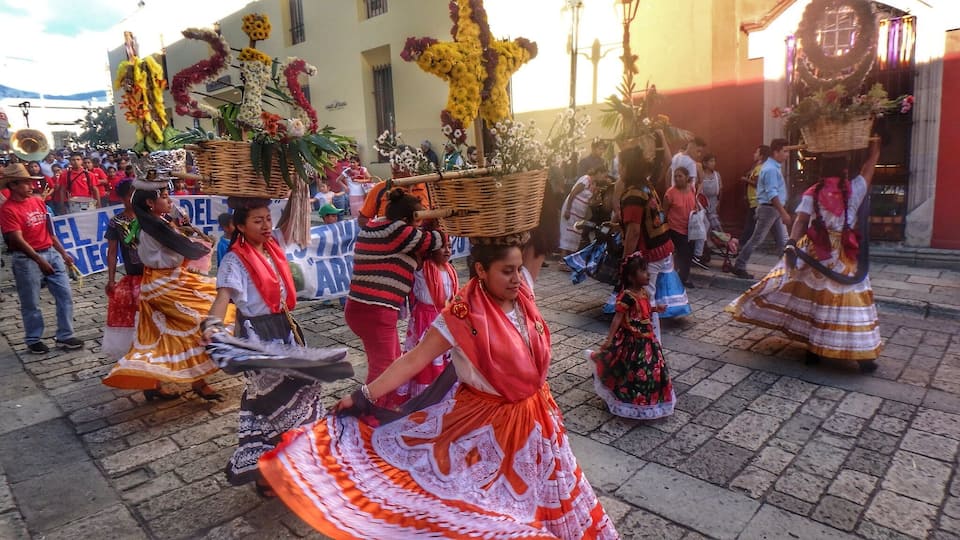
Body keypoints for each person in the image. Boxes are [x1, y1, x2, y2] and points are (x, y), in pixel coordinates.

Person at [259, 234, 618, 539]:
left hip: (538, 421)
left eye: (517, 270)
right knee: (489, 514)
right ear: (481, 271)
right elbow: (413, 360)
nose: (516, 279)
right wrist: (365, 395)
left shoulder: (523, 299)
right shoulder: (460, 318)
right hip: (486, 428)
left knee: (548, 497)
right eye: (506, 272)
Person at [204, 198, 327, 495]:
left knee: (297, 396)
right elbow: (223, 297)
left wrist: (297, 182)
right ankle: (271, 471)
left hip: (284, 329)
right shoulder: (235, 260)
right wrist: (212, 325)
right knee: (274, 402)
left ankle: (275, 470)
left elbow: (290, 216)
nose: (266, 226)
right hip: (258, 337)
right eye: (258, 221)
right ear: (240, 227)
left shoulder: (271, 248)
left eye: (267, 219)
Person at [727, 141, 882, 374]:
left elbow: (800, 221)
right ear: (844, 170)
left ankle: (814, 350)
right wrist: (876, 145)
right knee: (852, 300)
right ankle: (863, 357)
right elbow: (869, 167)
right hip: (845, 254)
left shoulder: (814, 192)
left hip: (817, 252)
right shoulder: (855, 188)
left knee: (817, 299)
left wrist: (791, 243)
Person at [102, 174, 228, 401]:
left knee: (169, 335)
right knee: (201, 321)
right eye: (165, 197)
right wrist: (195, 248)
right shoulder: (152, 228)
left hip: (166, 282)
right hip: (165, 285)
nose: (171, 201)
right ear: (150, 203)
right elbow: (178, 252)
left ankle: (160, 384)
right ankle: (195, 381)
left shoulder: (157, 223)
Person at [345, 189, 443, 410]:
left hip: (360, 308)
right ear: (408, 219)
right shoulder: (397, 230)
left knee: (387, 360)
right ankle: (373, 413)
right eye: (417, 221)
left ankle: (385, 406)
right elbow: (434, 241)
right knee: (385, 366)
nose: (417, 227)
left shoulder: (375, 226)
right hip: (376, 310)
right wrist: (438, 224)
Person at [0, 164, 84, 354]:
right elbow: (17, 240)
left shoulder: (37, 201)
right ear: (13, 185)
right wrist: (39, 260)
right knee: (31, 302)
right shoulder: (7, 210)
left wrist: (63, 253)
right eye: (26, 183)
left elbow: (49, 231)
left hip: (50, 253)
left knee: (65, 295)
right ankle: (33, 339)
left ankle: (65, 335)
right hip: (26, 259)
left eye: (31, 183)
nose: (31, 186)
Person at [609, 146, 690, 338]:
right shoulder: (646, 186)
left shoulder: (633, 194)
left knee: (645, 300)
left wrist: (625, 262)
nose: (619, 170)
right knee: (647, 298)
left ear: (628, 166)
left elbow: (634, 232)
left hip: (649, 253)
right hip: (663, 247)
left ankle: (651, 347)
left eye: (621, 165)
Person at [588, 253, 674, 419]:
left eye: (646, 270)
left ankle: (647, 402)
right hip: (631, 341)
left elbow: (644, 311)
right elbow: (618, 318)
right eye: (643, 271)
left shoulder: (643, 293)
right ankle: (626, 398)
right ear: (631, 277)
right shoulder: (627, 296)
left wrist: (656, 309)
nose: (648, 274)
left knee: (651, 369)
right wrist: (610, 339)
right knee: (629, 369)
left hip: (647, 340)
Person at [399, 229, 458, 404]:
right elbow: (413, 247)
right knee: (424, 357)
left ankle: (440, 392)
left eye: (449, 246)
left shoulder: (450, 270)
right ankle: (423, 396)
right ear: (431, 249)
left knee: (442, 357)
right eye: (442, 247)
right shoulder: (422, 267)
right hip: (424, 320)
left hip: (444, 318)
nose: (447, 250)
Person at [731, 138, 792, 280]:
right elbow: (772, 194)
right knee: (757, 239)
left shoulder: (772, 167)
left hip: (773, 209)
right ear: (776, 152)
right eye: (785, 152)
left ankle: (787, 270)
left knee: (783, 240)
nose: (787, 155)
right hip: (770, 209)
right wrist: (783, 212)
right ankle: (739, 265)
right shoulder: (770, 169)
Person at [103, 180, 143, 359]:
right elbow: (112, 252)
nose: (133, 198)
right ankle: (138, 347)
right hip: (134, 275)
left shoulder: (148, 217)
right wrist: (111, 279)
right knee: (137, 314)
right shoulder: (116, 222)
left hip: (155, 274)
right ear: (122, 198)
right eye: (129, 195)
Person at [559, 164, 604, 256]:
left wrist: (598, 200)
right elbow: (573, 193)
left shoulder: (593, 184)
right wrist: (568, 209)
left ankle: (570, 260)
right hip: (571, 209)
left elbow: (589, 203)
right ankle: (562, 261)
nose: (604, 178)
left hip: (579, 214)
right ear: (599, 173)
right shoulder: (586, 179)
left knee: (575, 234)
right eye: (604, 175)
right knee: (567, 233)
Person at [664, 168, 698, 288]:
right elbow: (665, 212)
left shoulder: (692, 189)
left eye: (680, 176)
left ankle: (683, 278)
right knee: (681, 254)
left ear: (687, 177)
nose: (677, 179)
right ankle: (675, 279)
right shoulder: (670, 193)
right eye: (676, 176)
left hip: (690, 228)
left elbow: (695, 204)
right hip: (675, 229)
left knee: (689, 255)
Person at [693, 153, 722, 268]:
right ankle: (700, 252)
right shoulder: (700, 175)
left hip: (713, 203)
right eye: (711, 161)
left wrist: (719, 202)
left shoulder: (717, 175)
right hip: (701, 203)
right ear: (705, 163)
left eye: (714, 161)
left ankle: (705, 251)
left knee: (714, 226)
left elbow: (721, 189)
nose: (713, 163)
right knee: (704, 226)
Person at [739, 145, 769, 249]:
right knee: (752, 224)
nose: (754, 154)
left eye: (756, 152)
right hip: (753, 200)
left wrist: (745, 179)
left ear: (761, 155)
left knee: (750, 225)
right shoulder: (757, 166)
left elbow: (757, 183)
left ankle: (743, 244)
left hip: (757, 200)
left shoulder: (761, 168)